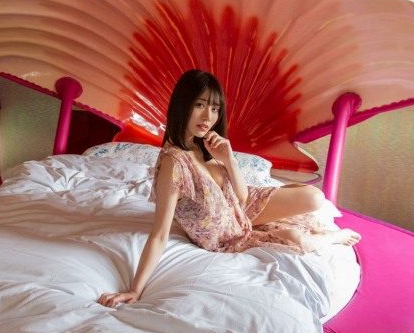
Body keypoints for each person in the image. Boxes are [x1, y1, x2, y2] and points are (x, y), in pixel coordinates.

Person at [97, 69, 360, 308]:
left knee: (315, 197)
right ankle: (334, 237)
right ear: (182, 105)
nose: (208, 117)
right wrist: (134, 290)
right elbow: (159, 234)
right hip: (228, 231)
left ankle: (283, 193)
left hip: (241, 204)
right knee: (296, 239)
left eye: (214, 108)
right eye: (199, 105)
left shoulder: (204, 144)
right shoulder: (174, 163)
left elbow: (243, 198)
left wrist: (229, 158)